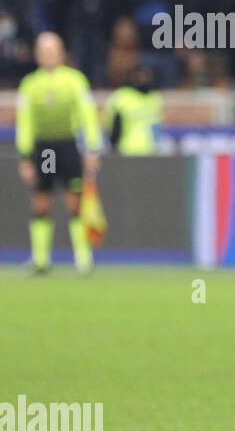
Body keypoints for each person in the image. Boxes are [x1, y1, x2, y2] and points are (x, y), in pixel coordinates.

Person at [15, 32, 102, 274]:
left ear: (62, 52)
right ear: (37, 55)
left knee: (75, 203)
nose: (49, 55)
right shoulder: (30, 84)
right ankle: (41, 260)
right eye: (44, 50)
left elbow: (88, 115)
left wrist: (92, 148)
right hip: (45, 148)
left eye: (53, 49)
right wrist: (25, 157)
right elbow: (26, 122)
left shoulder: (75, 81)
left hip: (68, 146)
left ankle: (83, 259)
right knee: (42, 202)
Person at [103, 65, 163, 155]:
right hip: (126, 150)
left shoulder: (154, 98)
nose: (143, 80)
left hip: (150, 151)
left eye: (145, 77)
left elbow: (156, 126)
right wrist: (114, 147)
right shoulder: (121, 98)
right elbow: (114, 127)